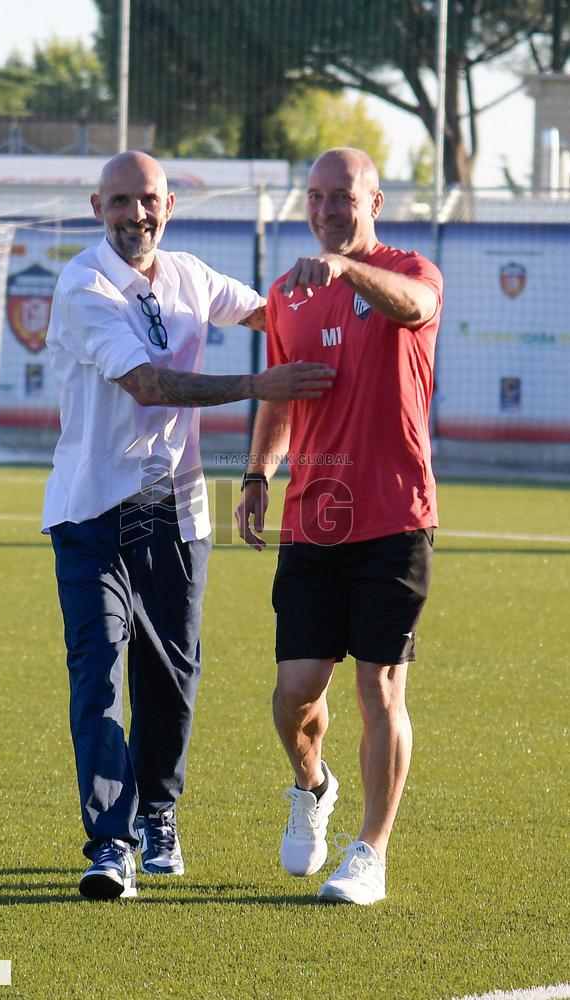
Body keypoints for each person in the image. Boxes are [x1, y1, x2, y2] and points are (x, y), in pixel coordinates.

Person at [42, 151, 334, 901]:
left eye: (147, 199)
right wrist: (257, 384)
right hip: (91, 509)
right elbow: (147, 384)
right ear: (97, 206)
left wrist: (333, 285)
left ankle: (158, 814)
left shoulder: (192, 276)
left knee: (171, 671)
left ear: (169, 205)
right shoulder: (82, 285)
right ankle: (110, 845)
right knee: (98, 671)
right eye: (119, 201)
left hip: (172, 510)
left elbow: (276, 314)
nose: (134, 214)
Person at [236, 147, 443, 905]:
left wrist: (347, 270)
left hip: (395, 514)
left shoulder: (410, 270)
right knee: (295, 692)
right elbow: (281, 394)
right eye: (316, 197)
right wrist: (257, 473)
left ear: (374, 202)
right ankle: (312, 785)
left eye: (343, 197)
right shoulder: (285, 294)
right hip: (314, 518)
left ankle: (370, 854)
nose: (327, 210)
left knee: (378, 687)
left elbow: (412, 308)